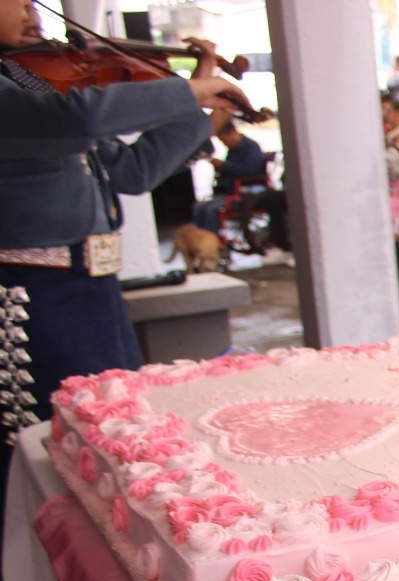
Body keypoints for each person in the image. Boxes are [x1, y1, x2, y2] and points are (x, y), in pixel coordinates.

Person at [0, 17, 245, 439]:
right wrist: (185, 91)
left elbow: (133, 170)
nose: (32, 11)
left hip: (94, 292)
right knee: (61, 437)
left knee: (119, 429)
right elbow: (78, 120)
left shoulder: (29, 79)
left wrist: (199, 110)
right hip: (33, 293)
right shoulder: (29, 100)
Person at [192, 121, 270, 233]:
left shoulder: (251, 147)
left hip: (244, 192)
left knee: (209, 210)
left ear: (232, 133)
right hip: (230, 190)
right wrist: (220, 168)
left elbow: (252, 171)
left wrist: (226, 165)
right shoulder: (232, 150)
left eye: (224, 140)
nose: (224, 144)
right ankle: (203, 239)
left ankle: (212, 240)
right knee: (198, 207)